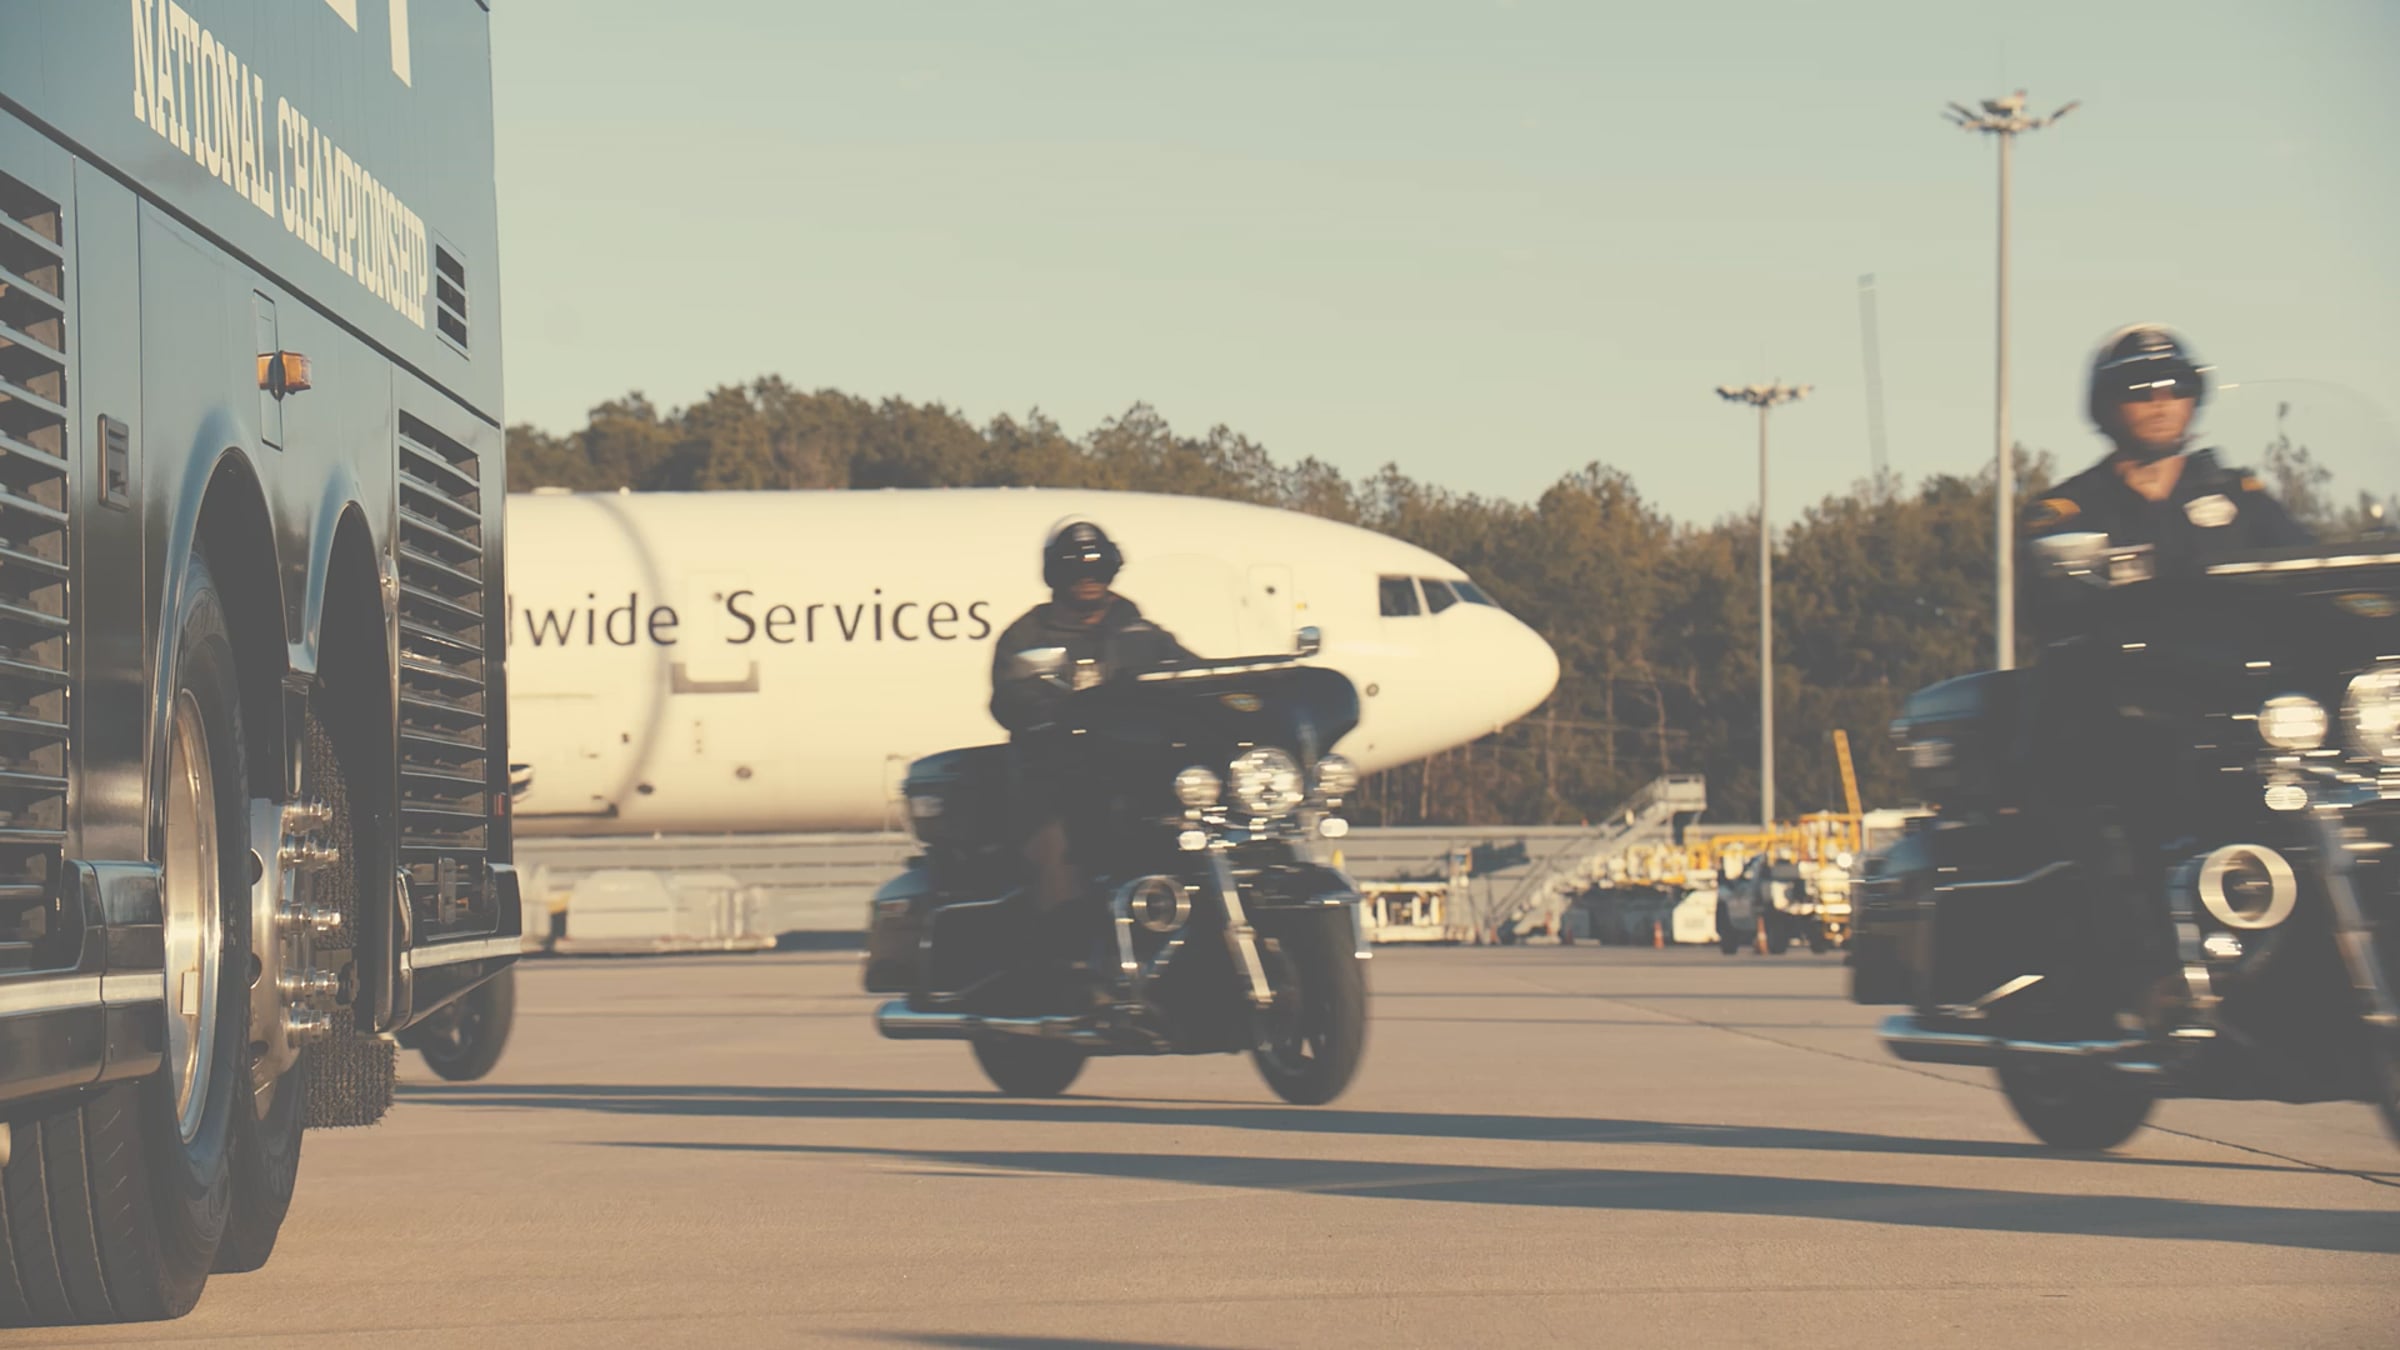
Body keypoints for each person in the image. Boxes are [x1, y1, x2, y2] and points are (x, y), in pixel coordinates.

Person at [988, 520, 1197, 932]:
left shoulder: (1140, 632)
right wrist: (1044, 711)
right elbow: (1010, 697)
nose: (1088, 580)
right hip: (1059, 778)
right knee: (1053, 847)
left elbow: (1191, 675)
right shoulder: (1027, 637)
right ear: (1054, 574)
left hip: (1139, 774)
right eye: (1075, 570)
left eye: (1097, 569)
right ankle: (1066, 946)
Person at [2021, 324, 2311, 587]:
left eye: (2178, 387)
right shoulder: (2072, 510)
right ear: (2104, 405)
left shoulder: (2241, 498)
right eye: (2139, 389)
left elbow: (2309, 577)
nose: (2161, 403)